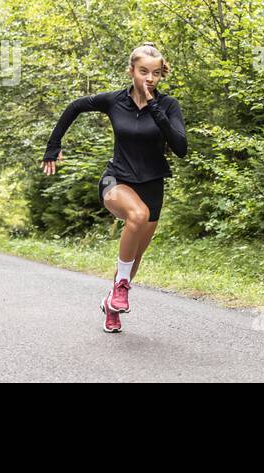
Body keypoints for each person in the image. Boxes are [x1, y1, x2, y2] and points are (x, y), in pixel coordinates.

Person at [41, 42, 187, 333]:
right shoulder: (114, 101)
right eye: (143, 71)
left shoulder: (168, 106)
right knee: (136, 215)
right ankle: (120, 287)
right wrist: (53, 146)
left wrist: (156, 108)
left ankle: (113, 303)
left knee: (135, 255)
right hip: (116, 180)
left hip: (152, 185)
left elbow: (181, 148)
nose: (149, 78)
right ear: (131, 70)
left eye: (155, 73)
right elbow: (75, 107)